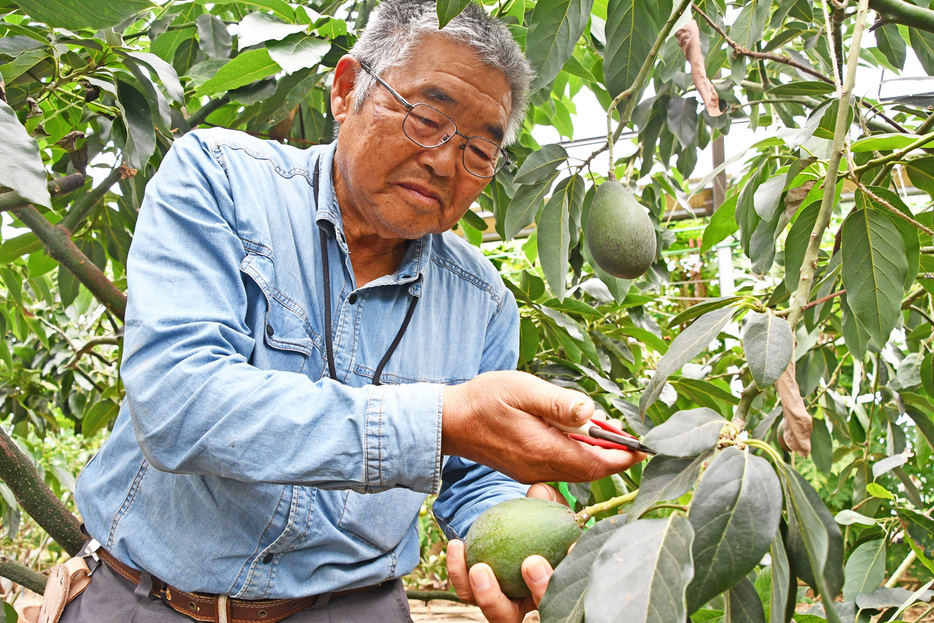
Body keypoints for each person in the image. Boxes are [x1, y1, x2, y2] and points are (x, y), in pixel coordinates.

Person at [63, 1, 646, 622]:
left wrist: (517, 529)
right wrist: (439, 419)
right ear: (346, 91)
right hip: (143, 600)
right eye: (426, 118)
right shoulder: (219, 179)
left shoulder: (484, 303)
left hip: (354, 608)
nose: (446, 162)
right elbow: (178, 404)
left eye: (480, 152)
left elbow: (474, 477)